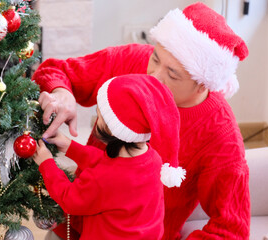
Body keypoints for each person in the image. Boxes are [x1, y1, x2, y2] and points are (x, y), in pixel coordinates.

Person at [32, 2, 251, 239]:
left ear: (201, 85)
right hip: (68, 225)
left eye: (172, 74)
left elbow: (231, 230)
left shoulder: (221, 135)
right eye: (156, 59)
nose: (154, 76)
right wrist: (61, 92)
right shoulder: (133, 60)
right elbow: (54, 71)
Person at [33, 74, 185, 240]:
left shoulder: (104, 178)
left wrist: (46, 163)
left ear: (113, 128)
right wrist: (70, 146)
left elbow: (69, 199)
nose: (94, 120)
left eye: (99, 116)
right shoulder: (152, 158)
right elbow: (105, 162)